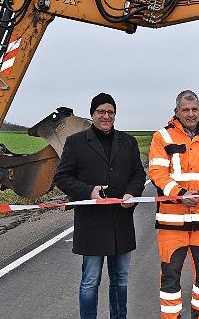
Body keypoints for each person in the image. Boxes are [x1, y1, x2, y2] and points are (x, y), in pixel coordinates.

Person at [53, 92, 147, 319]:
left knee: (120, 279)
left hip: (120, 223)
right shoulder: (76, 143)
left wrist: (131, 193)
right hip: (91, 225)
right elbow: (62, 177)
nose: (106, 116)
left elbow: (138, 174)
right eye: (101, 112)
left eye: (110, 112)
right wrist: (88, 191)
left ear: (115, 115)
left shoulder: (128, 142)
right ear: (92, 114)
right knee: (90, 281)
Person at [148, 90, 199, 319]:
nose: (191, 114)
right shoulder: (162, 137)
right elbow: (157, 173)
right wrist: (180, 194)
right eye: (186, 110)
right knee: (170, 278)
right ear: (177, 112)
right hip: (172, 223)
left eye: (194, 109)